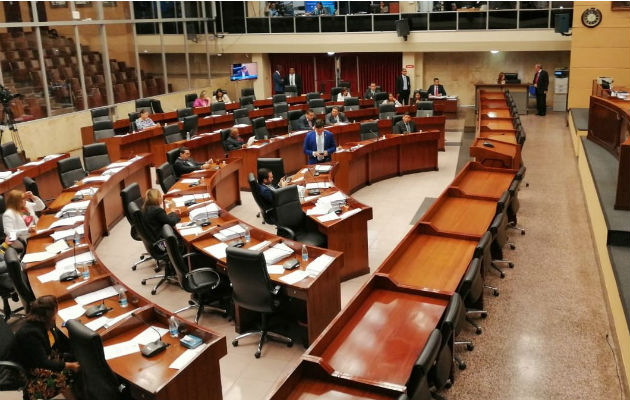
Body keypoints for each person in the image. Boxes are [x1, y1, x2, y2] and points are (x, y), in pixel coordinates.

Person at [12, 296, 80, 400]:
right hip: (31, 373)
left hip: (38, 360)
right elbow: (43, 362)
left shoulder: (38, 323)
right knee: (68, 376)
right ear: (49, 315)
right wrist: (70, 365)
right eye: (55, 311)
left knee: (71, 356)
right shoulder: (30, 335)